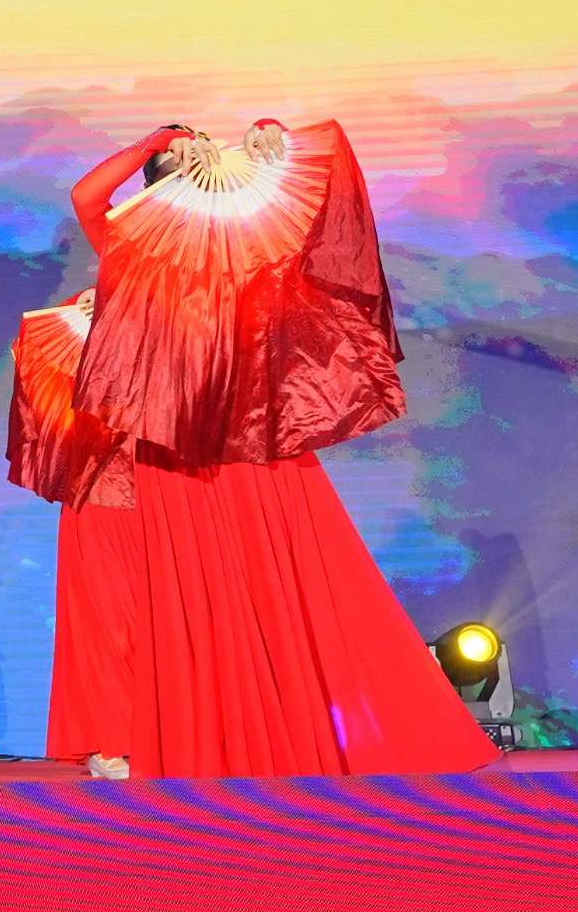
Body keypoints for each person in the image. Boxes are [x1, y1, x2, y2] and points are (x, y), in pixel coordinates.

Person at [48, 119, 493, 780]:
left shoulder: (252, 248)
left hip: (252, 442)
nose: (196, 170)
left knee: (287, 589)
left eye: (201, 163)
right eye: (180, 168)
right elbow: (87, 197)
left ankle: (289, 739)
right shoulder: (133, 247)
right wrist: (154, 142)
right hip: (172, 454)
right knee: (192, 601)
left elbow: (321, 198)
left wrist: (270, 137)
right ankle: (206, 744)